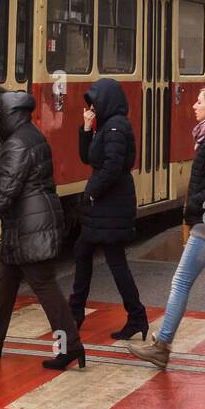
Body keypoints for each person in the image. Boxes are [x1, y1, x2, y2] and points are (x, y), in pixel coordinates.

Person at [128, 86, 205, 373]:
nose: (193, 105)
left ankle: (162, 346)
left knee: (181, 282)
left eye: (199, 102)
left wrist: (194, 207)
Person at [0, 87, 86, 371]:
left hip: (29, 226)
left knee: (44, 286)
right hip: (24, 225)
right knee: (3, 283)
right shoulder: (31, 134)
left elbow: (7, 189)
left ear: (7, 115)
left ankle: (71, 347)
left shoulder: (17, 143)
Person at [68, 78, 148, 340]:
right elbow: (86, 158)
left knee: (114, 261)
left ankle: (135, 316)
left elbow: (113, 167)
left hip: (110, 203)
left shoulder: (116, 127)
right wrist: (86, 128)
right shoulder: (106, 126)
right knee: (86, 252)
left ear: (106, 100)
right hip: (104, 204)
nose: (91, 107)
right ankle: (76, 312)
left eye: (94, 102)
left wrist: (92, 192)